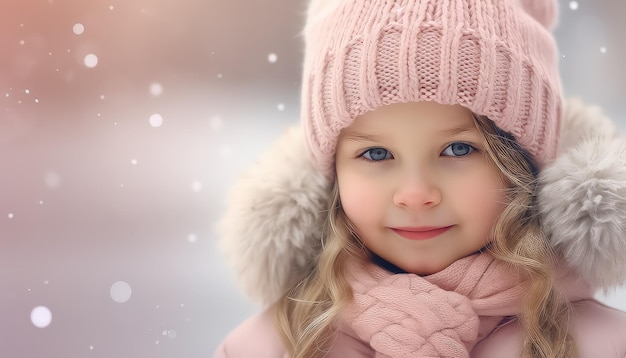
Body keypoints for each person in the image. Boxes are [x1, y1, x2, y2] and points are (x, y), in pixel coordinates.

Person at [215, 0, 626, 356]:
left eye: (458, 149)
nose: (415, 194)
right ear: (333, 172)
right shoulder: (271, 346)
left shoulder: (606, 345)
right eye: (376, 154)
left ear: (522, 163)